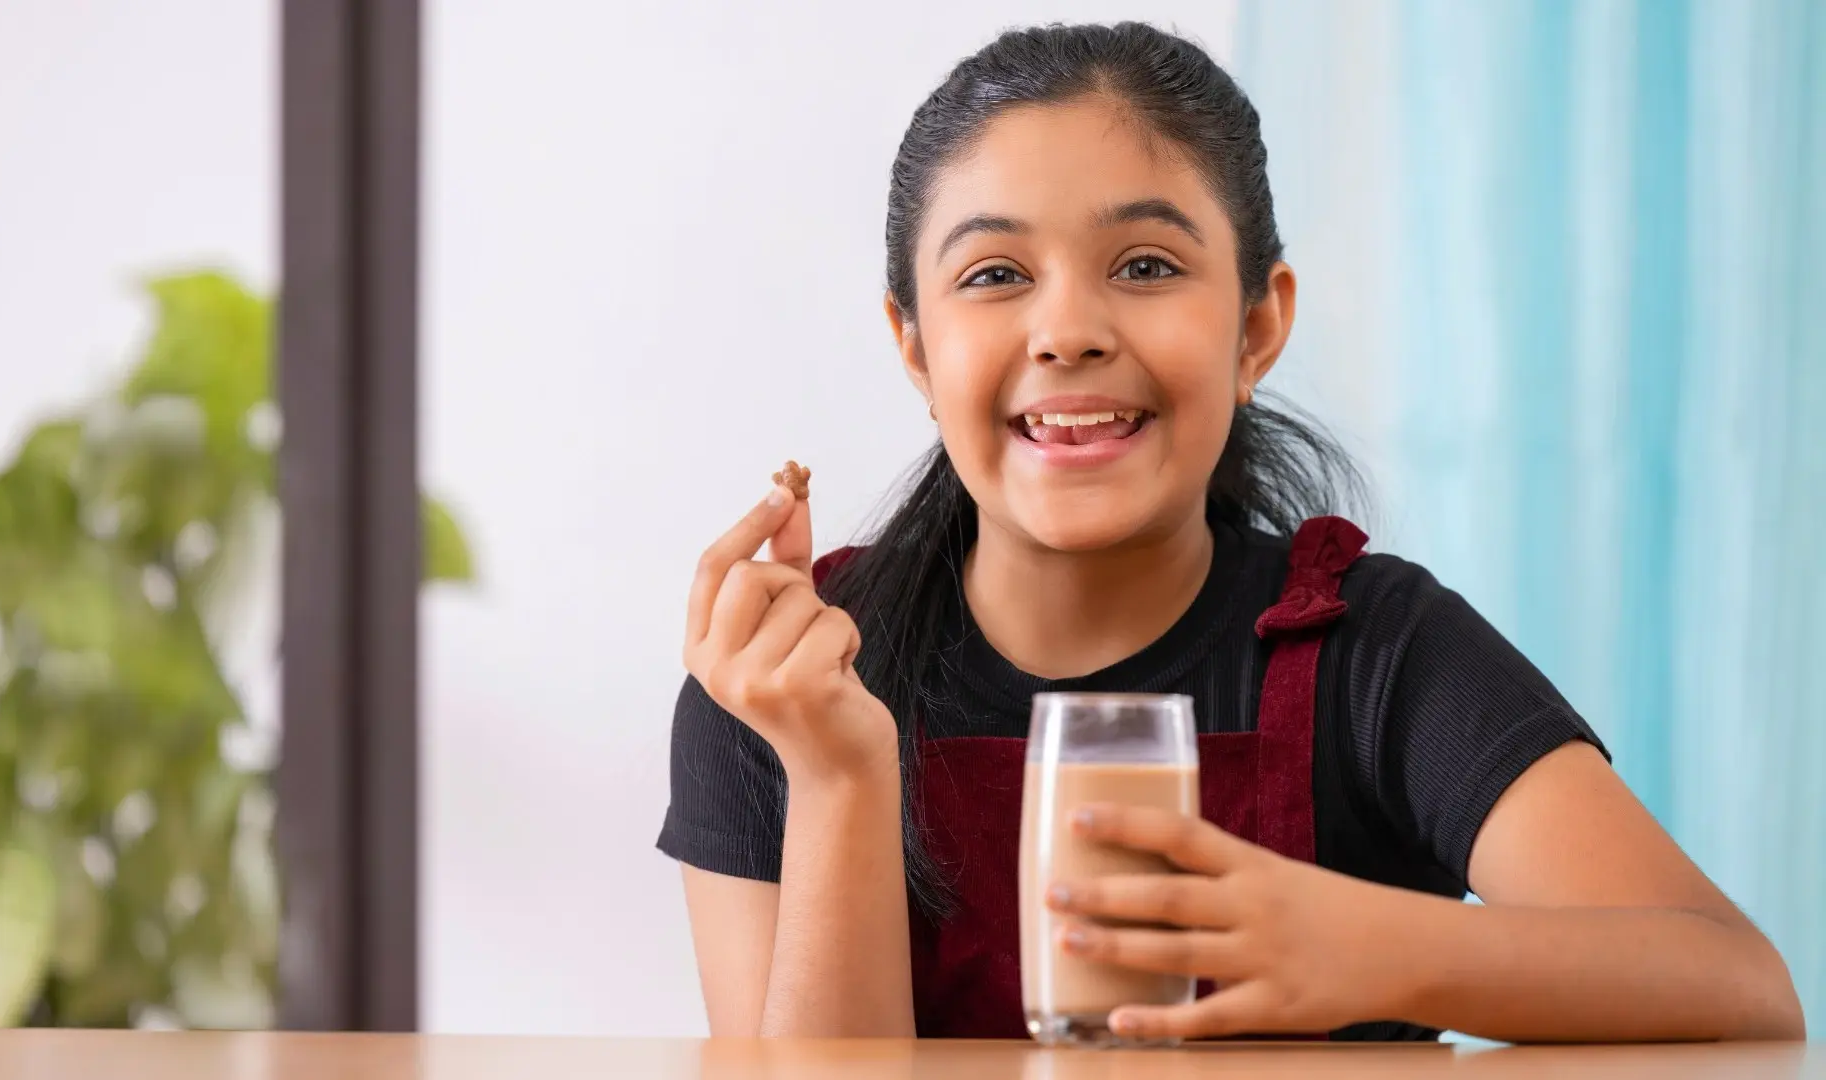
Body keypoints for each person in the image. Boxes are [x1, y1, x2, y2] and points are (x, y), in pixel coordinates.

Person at [655, 21, 1804, 1043]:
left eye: (1145, 265)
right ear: (915, 348)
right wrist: (840, 773)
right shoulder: (784, 678)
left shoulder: (1375, 652)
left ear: (1257, 326)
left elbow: (1738, 982)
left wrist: (1371, 946)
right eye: (996, 273)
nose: (1067, 330)